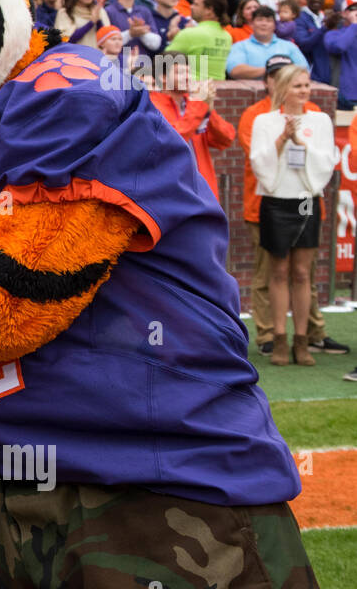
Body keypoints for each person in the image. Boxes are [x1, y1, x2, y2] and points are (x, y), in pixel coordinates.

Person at [238, 55, 349, 360]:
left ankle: (302, 340)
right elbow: (259, 162)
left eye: (306, 85)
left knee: (302, 272)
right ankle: (279, 338)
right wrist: (281, 140)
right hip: (275, 202)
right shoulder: (264, 120)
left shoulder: (320, 120)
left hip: (305, 200)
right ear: (283, 88)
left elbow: (327, 162)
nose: (304, 91)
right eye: (298, 86)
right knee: (278, 269)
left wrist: (298, 140)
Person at [147, 54, 235, 200]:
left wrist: (209, 109)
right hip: (171, 194)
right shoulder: (152, 106)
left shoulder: (193, 104)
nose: (187, 77)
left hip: (203, 193)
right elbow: (173, 141)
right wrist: (200, 104)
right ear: (162, 78)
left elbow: (226, 139)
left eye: (189, 72)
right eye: (180, 73)